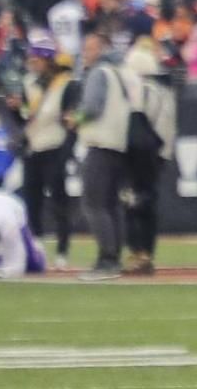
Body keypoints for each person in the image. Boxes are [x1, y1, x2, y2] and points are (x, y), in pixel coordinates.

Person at [73, 32, 136, 281]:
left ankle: (107, 259)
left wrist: (74, 118)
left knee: (94, 203)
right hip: (118, 145)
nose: (84, 55)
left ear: (100, 50)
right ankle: (113, 257)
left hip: (100, 144)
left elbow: (91, 107)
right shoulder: (121, 73)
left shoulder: (99, 73)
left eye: (88, 49)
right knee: (111, 205)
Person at [12, 43, 77, 269]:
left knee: (59, 201)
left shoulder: (64, 84)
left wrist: (67, 152)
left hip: (55, 146)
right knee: (33, 201)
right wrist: (15, 109)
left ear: (48, 60)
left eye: (36, 58)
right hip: (33, 147)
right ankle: (36, 247)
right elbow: (25, 116)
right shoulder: (28, 83)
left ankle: (62, 250)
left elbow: (70, 120)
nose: (32, 62)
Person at [119, 40, 177, 277]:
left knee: (131, 203)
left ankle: (137, 253)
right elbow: (167, 127)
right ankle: (147, 254)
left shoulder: (137, 90)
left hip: (137, 153)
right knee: (148, 203)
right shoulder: (166, 90)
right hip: (157, 153)